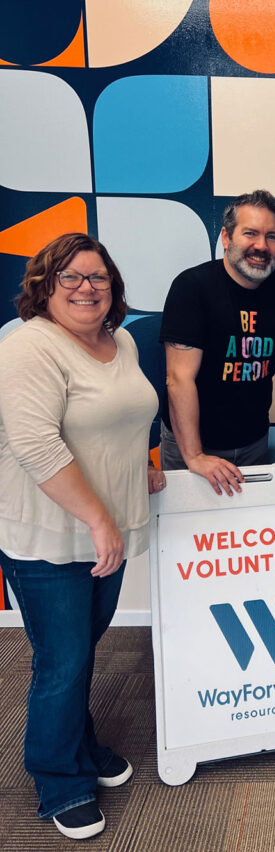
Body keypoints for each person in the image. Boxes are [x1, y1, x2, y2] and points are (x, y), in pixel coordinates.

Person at [0, 234, 165, 840]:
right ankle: (59, 781)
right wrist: (98, 519)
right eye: (69, 277)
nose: (85, 288)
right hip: (50, 537)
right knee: (62, 662)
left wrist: (140, 463)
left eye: (97, 277)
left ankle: (80, 746)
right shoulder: (29, 349)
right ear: (44, 286)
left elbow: (121, 415)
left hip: (105, 534)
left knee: (80, 651)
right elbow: (36, 445)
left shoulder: (120, 341)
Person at [159, 190, 275, 495]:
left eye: (271, 236)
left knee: (247, 524)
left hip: (253, 442)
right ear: (226, 238)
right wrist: (195, 456)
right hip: (191, 444)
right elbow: (179, 378)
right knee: (189, 525)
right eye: (250, 233)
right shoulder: (192, 287)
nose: (261, 246)